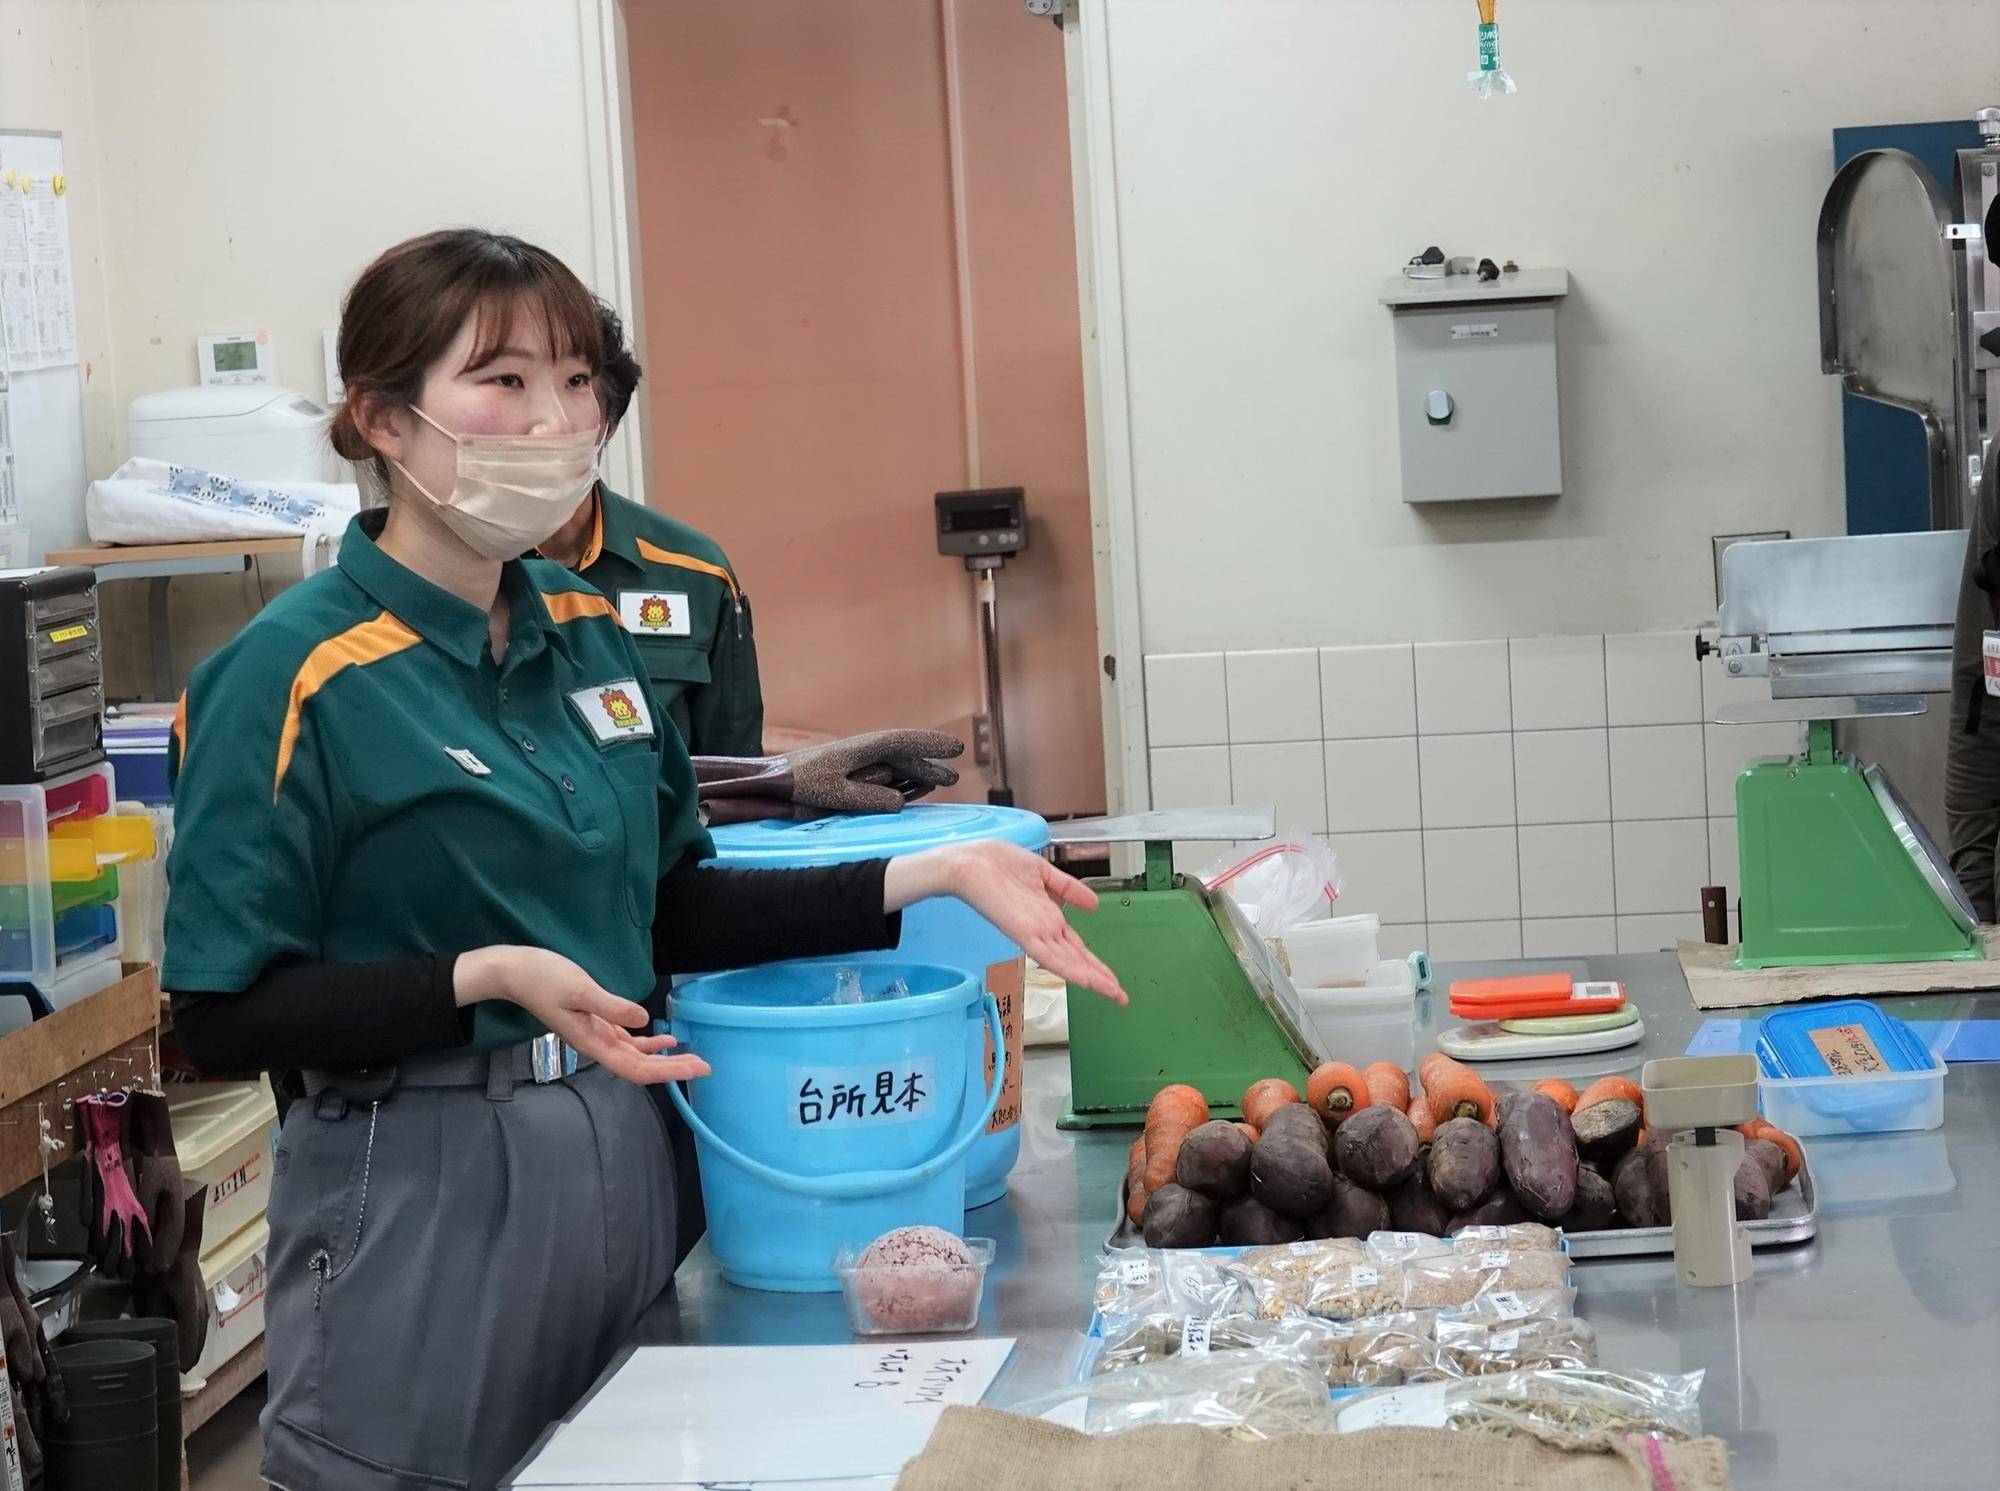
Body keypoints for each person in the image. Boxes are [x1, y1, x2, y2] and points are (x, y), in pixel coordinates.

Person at [161, 227, 1127, 1491]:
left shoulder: (583, 631)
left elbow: (673, 912)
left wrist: (930, 874)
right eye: (501, 381)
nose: (553, 419)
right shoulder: (286, 676)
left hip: (622, 1140)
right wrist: (478, 976)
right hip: (421, 1172)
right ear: (383, 419)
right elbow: (221, 1014)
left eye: (574, 382)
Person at [538, 299, 763, 755]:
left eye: (575, 383)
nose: (545, 424)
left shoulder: (695, 572)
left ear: (609, 422)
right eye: (508, 384)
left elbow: (737, 772)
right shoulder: (456, 573)